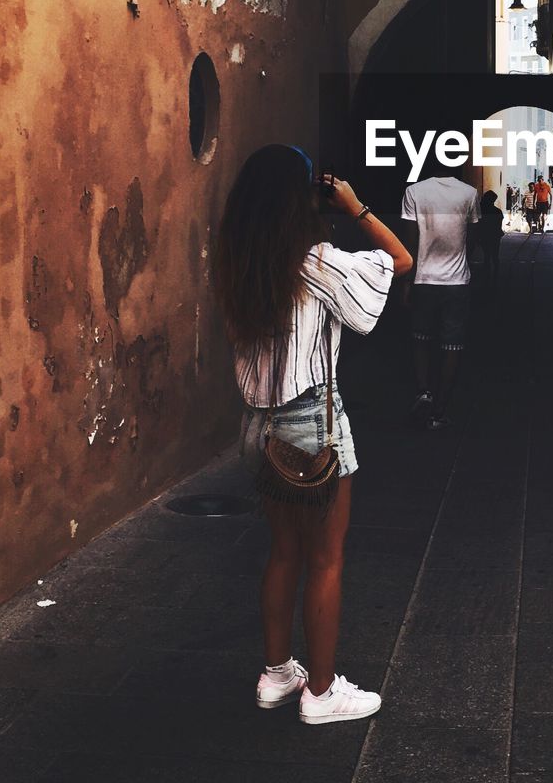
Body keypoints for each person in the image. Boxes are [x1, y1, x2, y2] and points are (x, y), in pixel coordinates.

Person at [215, 145, 413, 723]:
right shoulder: (314, 261)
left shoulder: (238, 260)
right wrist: (354, 205)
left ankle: (277, 675)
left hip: (258, 425)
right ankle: (322, 694)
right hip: (312, 425)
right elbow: (399, 261)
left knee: (283, 551)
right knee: (325, 559)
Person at [401, 164, 480, 429]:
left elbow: (409, 242)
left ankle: (424, 391)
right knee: (452, 345)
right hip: (457, 281)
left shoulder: (414, 192)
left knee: (420, 339)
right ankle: (440, 411)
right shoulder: (469, 193)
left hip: (424, 279)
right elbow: (472, 238)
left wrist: (408, 282)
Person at [478, 189, 505, 287]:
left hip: (485, 235)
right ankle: (495, 275)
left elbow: (478, 224)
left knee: (487, 256)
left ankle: (487, 275)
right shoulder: (497, 211)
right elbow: (499, 225)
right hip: (495, 236)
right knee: (495, 255)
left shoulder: (481, 210)